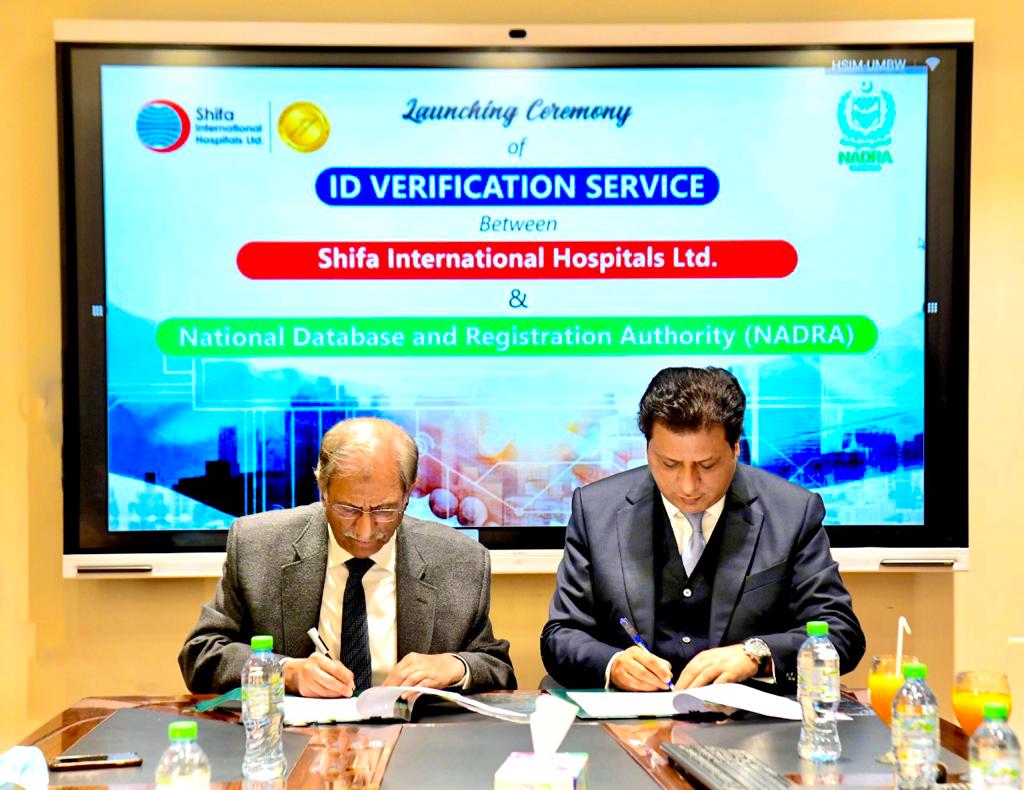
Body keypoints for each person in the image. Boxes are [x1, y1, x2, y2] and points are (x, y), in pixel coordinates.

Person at [541, 366, 864, 692]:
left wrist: (756, 654)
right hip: (631, 715)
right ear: (648, 449)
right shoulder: (596, 510)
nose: (688, 486)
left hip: (749, 717)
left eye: (706, 465)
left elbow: (841, 633)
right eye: (669, 464)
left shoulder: (792, 511)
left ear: (736, 448)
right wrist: (613, 664)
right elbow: (561, 634)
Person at [180, 417, 516, 695]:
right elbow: (202, 655)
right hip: (296, 742)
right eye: (348, 509)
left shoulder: (460, 561)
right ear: (322, 489)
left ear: (408, 493)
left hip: (415, 740)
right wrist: (286, 672)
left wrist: (454, 667)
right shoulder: (259, 546)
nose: (365, 531)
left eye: (384, 510)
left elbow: (498, 668)